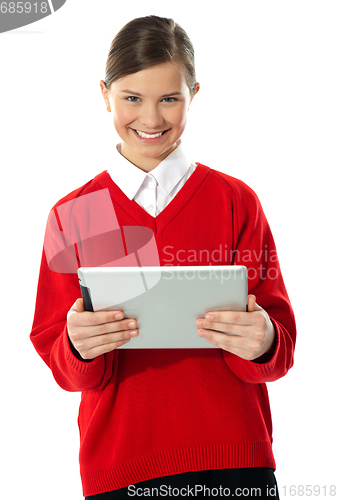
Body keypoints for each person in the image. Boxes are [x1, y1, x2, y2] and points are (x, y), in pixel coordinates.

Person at [30, 15, 296, 499]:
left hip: (235, 461)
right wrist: (76, 345)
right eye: (132, 98)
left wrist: (264, 339)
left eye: (169, 99)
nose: (150, 119)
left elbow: (279, 347)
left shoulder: (235, 202)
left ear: (193, 94)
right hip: (121, 465)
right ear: (105, 94)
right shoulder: (77, 214)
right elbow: (60, 358)